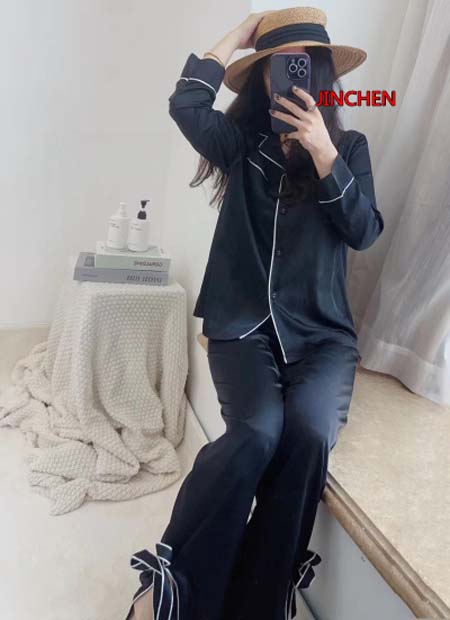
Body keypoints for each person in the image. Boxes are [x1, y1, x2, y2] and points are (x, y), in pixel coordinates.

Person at [125, 7, 384, 620]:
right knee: (256, 433)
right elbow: (187, 104)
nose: (287, 78)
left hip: (321, 336)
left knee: (308, 434)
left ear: (320, 75)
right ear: (263, 78)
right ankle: (170, 587)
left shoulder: (349, 148)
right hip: (242, 325)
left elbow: (365, 231)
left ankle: (261, 600)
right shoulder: (240, 144)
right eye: (274, 68)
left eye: (300, 67)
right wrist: (242, 36)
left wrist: (324, 155)